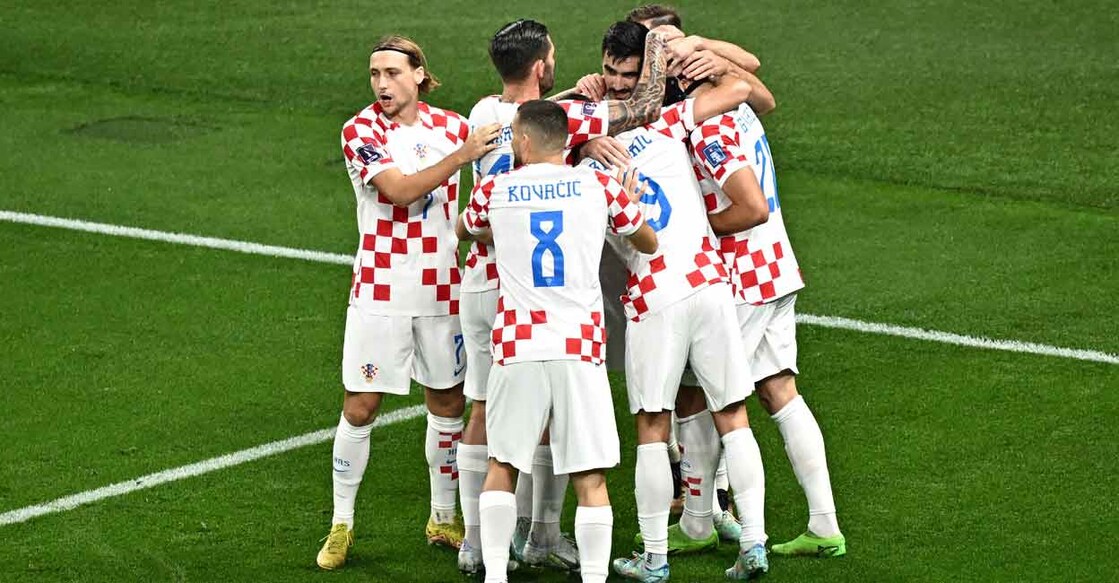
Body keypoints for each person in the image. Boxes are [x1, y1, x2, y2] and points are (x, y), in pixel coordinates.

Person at [456, 19, 673, 574]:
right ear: (567, 138)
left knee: (504, 461)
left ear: (524, 143)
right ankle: (590, 572)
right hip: (578, 342)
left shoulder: (494, 178)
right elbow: (646, 241)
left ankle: (494, 570)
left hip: (514, 336)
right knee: (591, 473)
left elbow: (465, 227)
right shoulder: (596, 184)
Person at [573, 21, 772, 581]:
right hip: (709, 282)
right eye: (609, 72)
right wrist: (696, 53)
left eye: (625, 74)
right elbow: (747, 89)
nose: (614, 83)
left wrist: (582, 120)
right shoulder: (673, 122)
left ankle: (656, 556)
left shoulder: (583, 156)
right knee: (734, 416)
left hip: (653, 295)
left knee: (653, 429)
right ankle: (753, 543)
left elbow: (529, 125)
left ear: (642, 75)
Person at [315, 34, 502, 571]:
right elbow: (399, 191)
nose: (381, 84)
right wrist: (464, 155)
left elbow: (522, 124)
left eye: (392, 73)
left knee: (447, 404)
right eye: (374, 74)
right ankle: (341, 522)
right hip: (380, 290)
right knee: (361, 406)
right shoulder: (362, 130)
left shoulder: (450, 125)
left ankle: (443, 516)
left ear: (419, 74)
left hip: (444, 290)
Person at [689, 95, 847, 558]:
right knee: (779, 390)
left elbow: (751, 207)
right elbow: (754, 78)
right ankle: (824, 525)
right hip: (777, 265)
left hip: (744, 279)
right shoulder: (740, 108)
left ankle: (702, 522)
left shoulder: (709, 130)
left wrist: (695, 229)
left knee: (709, 397)